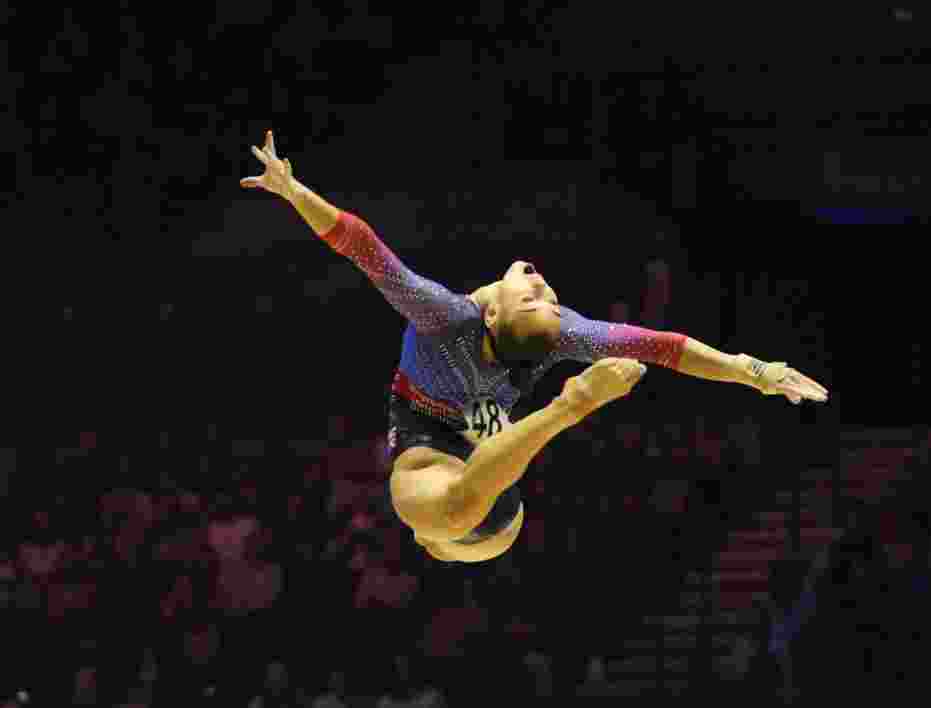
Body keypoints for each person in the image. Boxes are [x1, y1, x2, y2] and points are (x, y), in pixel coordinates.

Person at [241, 131, 828, 564]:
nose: (544, 286)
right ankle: (447, 537)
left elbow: (664, 347)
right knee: (445, 526)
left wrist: (754, 371)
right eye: (543, 295)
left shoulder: (497, 324)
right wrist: (294, 191)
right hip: (454, 454)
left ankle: (444, 539)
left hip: (466, 470)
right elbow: (364, 249)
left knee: (440, 520)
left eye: (541, 299)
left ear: (494, 310)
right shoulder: (451, 319)